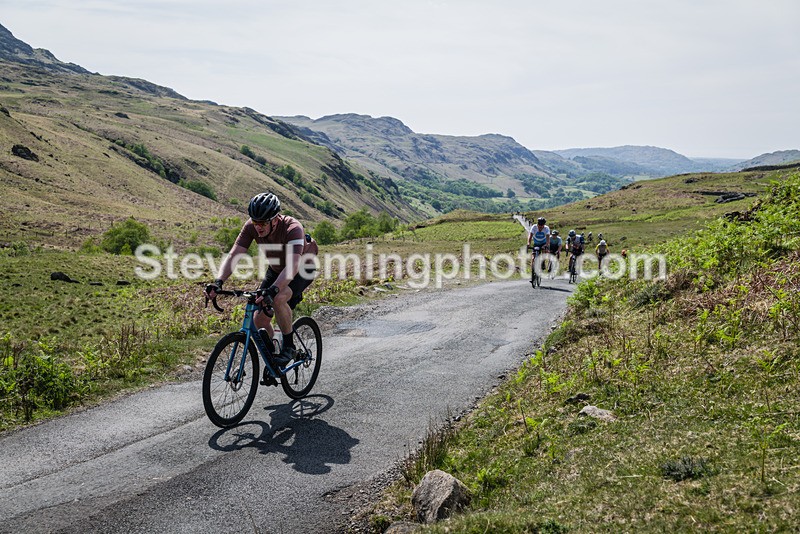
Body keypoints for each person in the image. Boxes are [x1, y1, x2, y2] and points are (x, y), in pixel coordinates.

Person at [205, 192, 318, 369]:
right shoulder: (251, 226)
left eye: (263, 222)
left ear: (275, 219)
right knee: (259, 321)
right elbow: (235, 254)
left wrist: (273, 290)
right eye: (255, 221)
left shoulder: (293, 227)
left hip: (302, 268)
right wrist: (218, 281)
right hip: (276, 268)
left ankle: (288, 347)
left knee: (279, 297)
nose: (258, 227)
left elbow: (293, 266)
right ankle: (273, 356)